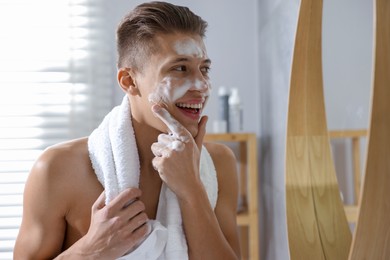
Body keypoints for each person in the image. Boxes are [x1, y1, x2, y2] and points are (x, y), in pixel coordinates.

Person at [14, 1, 240, 259]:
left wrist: (192, 189)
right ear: (129, 81)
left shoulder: (220, 164)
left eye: (204, 69)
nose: (201, 85)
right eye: (180, 68)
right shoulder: (58, 169)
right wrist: (89, 251)